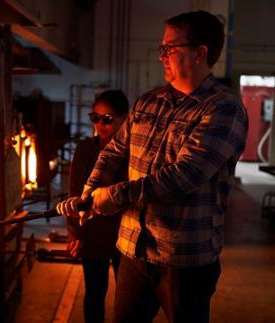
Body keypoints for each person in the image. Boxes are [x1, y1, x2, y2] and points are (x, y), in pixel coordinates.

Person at [57, 10, 248, 323]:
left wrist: (114, 195)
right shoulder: (148, 102)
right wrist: (89, 193)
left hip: (183, 260)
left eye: (169, 49)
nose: (162, 57)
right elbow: (113, 153)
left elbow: (182, 177)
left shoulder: (224, 109)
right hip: (132, 250)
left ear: (200, 53)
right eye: (162, 49)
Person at [61, 90, 129, 323]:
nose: (100, 124)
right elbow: (75, 194)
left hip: (125, 233)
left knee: (128, 300)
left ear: (124, 119)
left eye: (107, 119)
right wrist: (74, 233)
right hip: (93, 232)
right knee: (94, 294)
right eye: (95, 118)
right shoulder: (85, 150)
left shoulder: (133, 152)